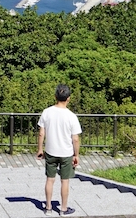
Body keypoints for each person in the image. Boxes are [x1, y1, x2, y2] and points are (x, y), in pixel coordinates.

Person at [36, 84, 83, 216]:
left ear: (55, 96)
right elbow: (75, 139)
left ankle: (48, 207)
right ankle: (63, 208)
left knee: (50, 179)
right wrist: (76, 155)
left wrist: (40, 149)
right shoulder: (71, 116)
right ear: (68, 98)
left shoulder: (47, 112)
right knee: (65, 180)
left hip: (50, 151)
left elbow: (41, 133)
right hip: (66, 153)